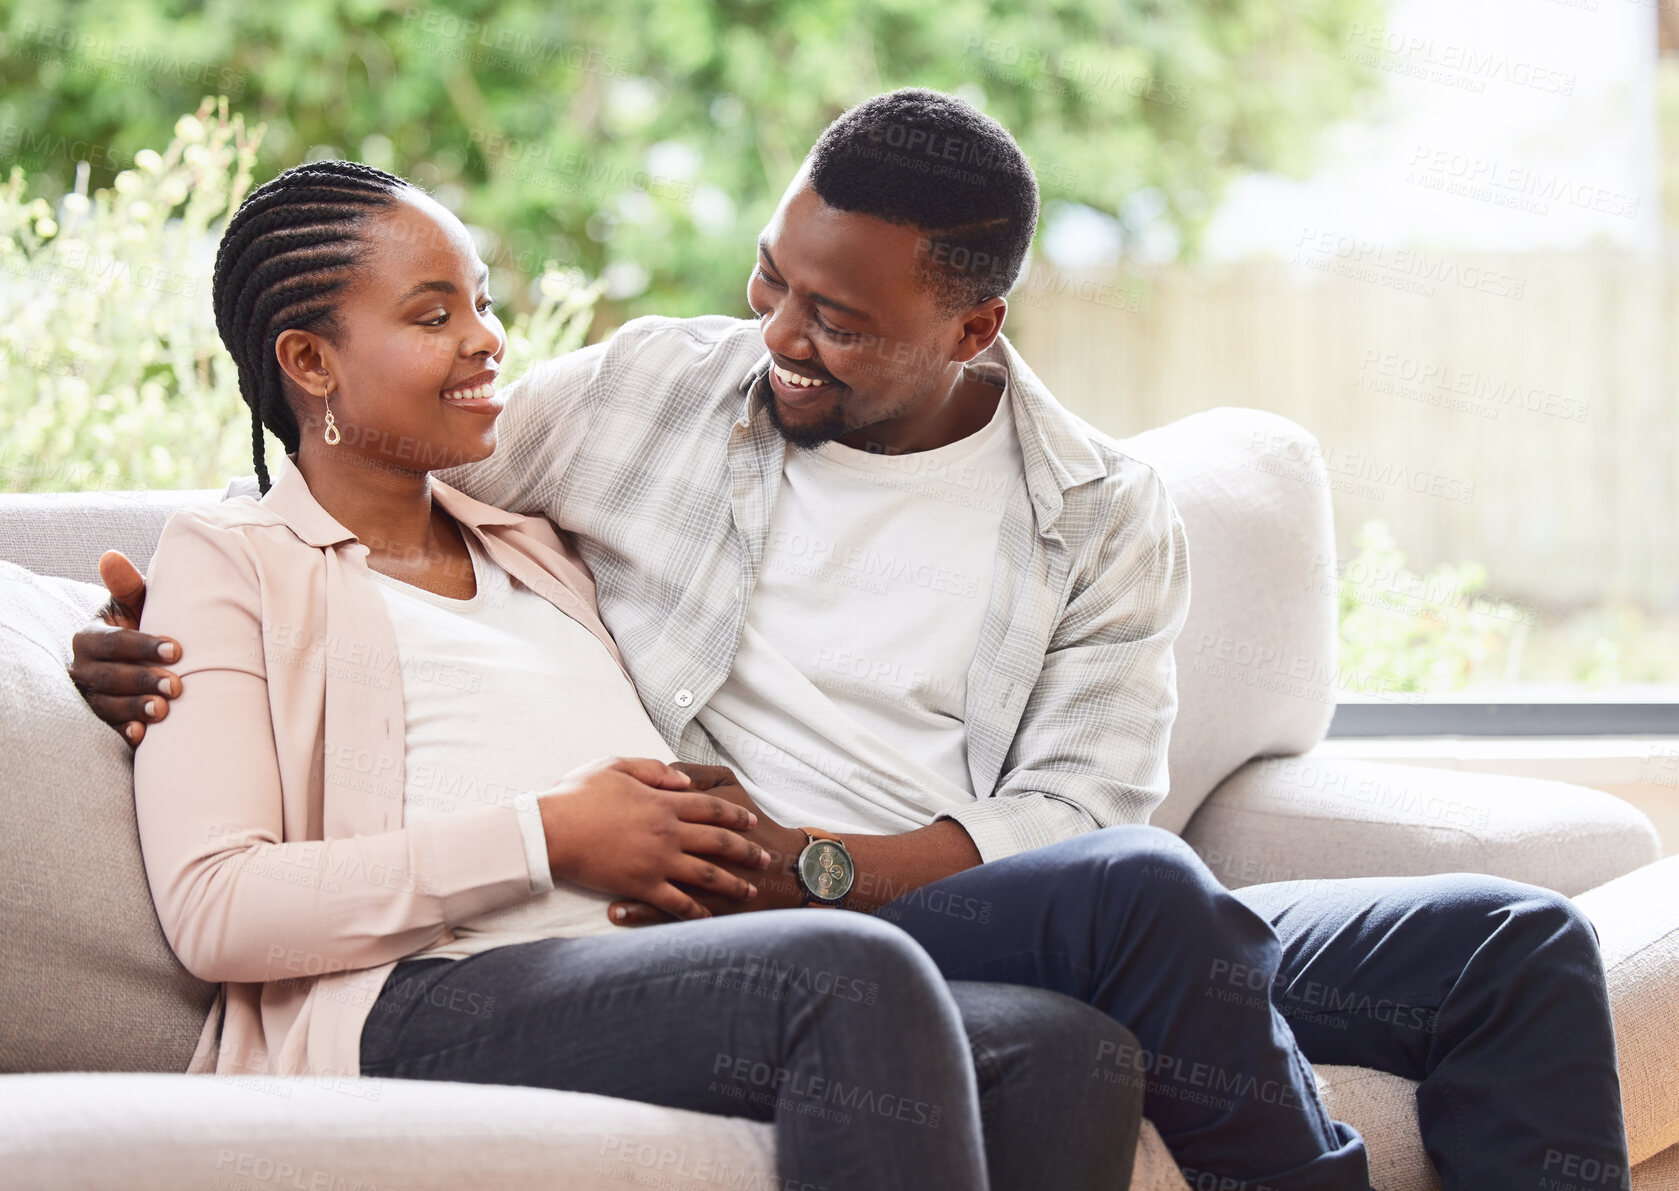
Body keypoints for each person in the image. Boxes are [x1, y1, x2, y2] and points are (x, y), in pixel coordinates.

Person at [74, 91, 1629, 1191]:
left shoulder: (1096, 511)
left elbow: (1073, 819)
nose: (777, 334)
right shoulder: (645, 396)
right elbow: (339, 471)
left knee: (1509, 939)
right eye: (772, 277)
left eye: (835, 318)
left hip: (958, 893)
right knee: (1138, 913)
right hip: (721, 930)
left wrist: (810, 862)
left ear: (971, 328)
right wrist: (146, 638)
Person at [99, 157, 1145, 1191]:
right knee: (848, 977)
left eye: (482, 301)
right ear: (309, 361)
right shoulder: (229, 557)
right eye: (432, 317)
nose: (485, 338)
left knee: (1066, 1046)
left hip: (649, 970)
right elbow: (215, 911)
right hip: (421, 991)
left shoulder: (534, 543)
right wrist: (547, 836)